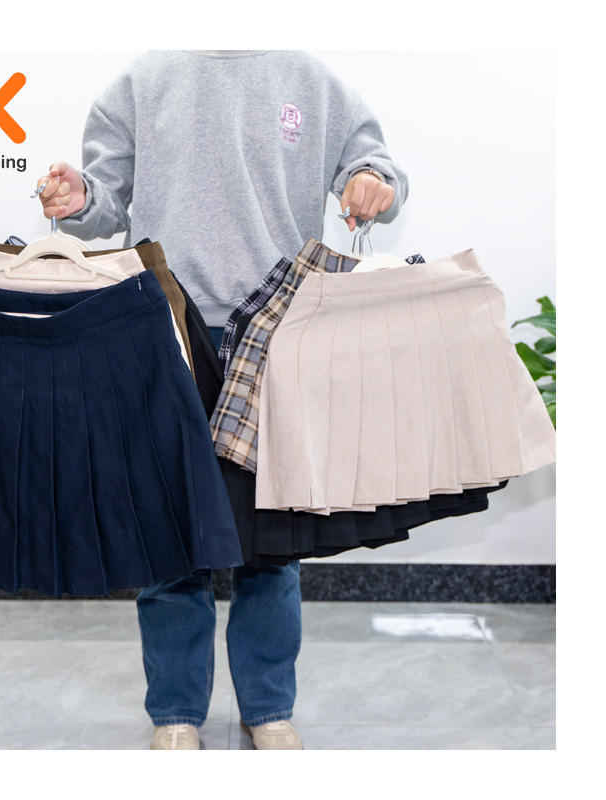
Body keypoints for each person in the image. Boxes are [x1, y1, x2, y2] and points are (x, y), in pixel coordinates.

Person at [36, 49, 408, 750]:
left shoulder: (308, 77)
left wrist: (372, 180)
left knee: (274, 541)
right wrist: (80, 199)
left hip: (277, 328)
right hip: (164, 324)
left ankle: (267, 708)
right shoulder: (144, 80)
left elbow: (376, 167)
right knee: (168, 532)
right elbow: (103, 204)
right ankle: (175, 713)